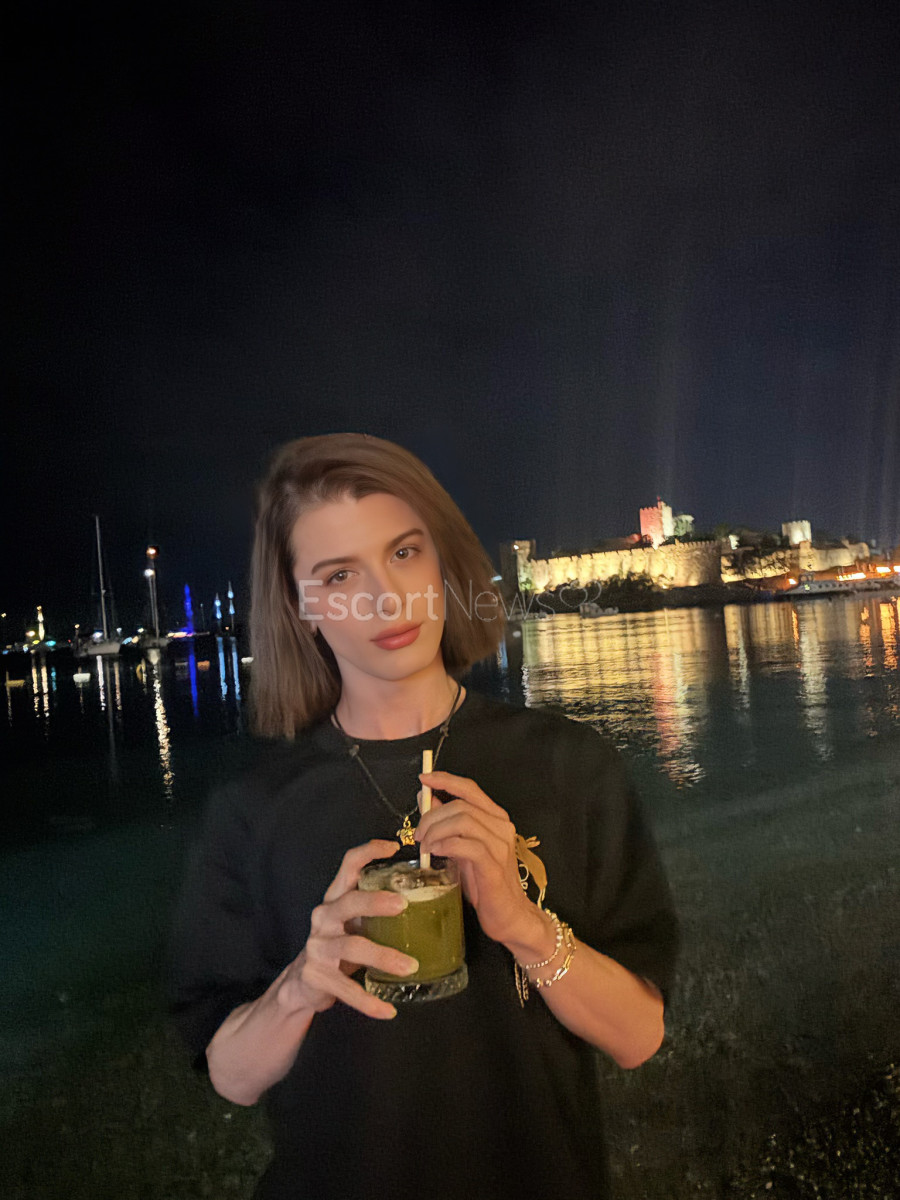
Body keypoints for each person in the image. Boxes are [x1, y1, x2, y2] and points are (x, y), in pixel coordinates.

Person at [165, 432, 680, 1199]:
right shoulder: (252, 810)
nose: (387, 598)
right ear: (302, 606)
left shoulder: (571, 765)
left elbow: (638, 1036)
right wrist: (302, 985)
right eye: (341, 574)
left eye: (404, 553)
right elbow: (232, 1078)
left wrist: (524, 926)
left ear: (442, 562)